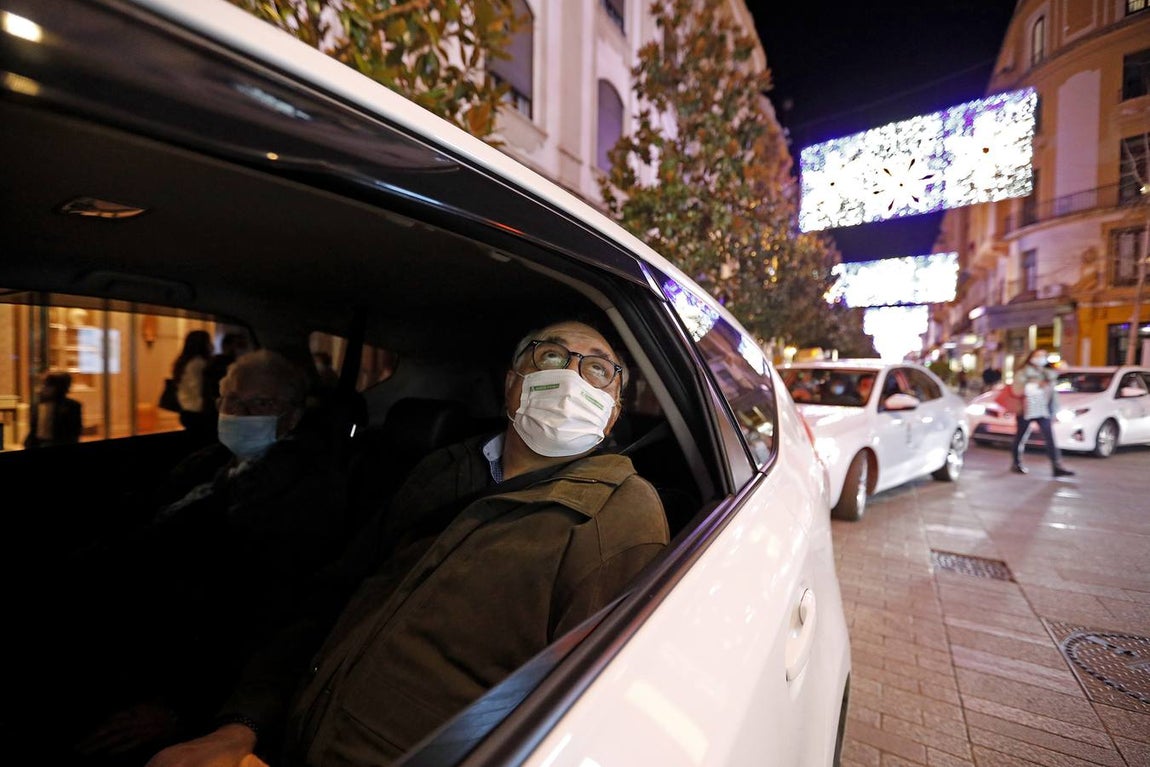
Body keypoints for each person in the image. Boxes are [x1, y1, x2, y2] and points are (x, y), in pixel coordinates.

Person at [145, 319, 670, 767]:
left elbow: (590, 715)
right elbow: (335, 597)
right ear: (512, 384)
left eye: (597, 369)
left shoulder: (618, 514)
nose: (570, 376)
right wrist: (243, 724)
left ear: (613, 410)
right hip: (295, 738)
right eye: (551, 356)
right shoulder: (443, 470)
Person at [57, 349, 351, 765]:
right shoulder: (211, 462)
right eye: (233, 401)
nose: (242, 413)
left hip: (186, 674)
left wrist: (181, 707)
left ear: (291, 417)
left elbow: (269, 614)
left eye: (261, 404)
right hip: (129, 630)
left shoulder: (307, 491)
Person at [1009, 348, 1074, 477]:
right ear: (1031, 358)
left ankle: (1057, 466)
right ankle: (1016, 463)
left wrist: (1059, 367)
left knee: (1049, 437)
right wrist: (1035, 384)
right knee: (1021, 436)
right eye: (1038, 356)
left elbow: (1062, 372)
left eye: (1044, 356)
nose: (1041, 358)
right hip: (1026, 409)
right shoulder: (1023, 372)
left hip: (1043, 409)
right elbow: (1017, 391)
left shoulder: (1047, 372)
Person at [172, 329, 215, 439]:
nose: (211, 345)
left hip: (185, 410)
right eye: (208, 342)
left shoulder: (183, 362)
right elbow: (201, 389)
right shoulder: (199, 363)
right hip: (199, 413)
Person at [23, 370, 83, 448]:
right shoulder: (37, 406)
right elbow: (34, 430)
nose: (40, 389)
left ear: (58, 388)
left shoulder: (72, 407)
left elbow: (74, 433)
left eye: (46, 385)